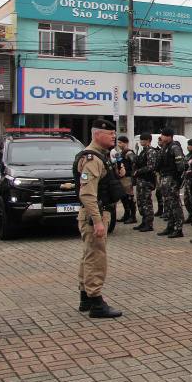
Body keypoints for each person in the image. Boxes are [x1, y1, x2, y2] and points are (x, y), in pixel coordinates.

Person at [73, 119, 124, 319]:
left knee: (88, 256)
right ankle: (97, 303)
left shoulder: (102, 157)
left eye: (114, 133)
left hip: (95, 213)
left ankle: (85, 297)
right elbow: (87, 194)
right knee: (96, 258)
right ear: (97, 135)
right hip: (95, 214)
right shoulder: (92, 159)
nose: (114, 136)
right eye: (109, 134)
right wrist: (98, 221)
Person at [155, 129, 186, 238]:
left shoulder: (174, 147)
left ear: (170, 136)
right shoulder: (165, 148)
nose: (162, 137)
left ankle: (178, 228)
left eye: (164, 135)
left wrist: (178, 178)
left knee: (174, 204)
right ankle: (170, 226)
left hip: (171, 179)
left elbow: (181, 164)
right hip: (164, 177)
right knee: (168, 204)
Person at [132, 133, 157, 233]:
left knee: (146, 202)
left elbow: (151, 166)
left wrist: (139, 171)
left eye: (142, 140)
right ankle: (144, 221)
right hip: (141, 179)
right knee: (141, 201)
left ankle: (149, 223)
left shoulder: (151, 151)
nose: (141, 141)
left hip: (147, 179)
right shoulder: (143, 151)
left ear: (147, 140)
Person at [115, 136, 137, 225]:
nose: (118, 144)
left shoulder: (128, 153)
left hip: (127, 178)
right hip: (121, 178)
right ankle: (126, 214)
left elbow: (134, 162)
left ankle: (133, 216)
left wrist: (133, 173)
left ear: (125, 143)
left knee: (129, 197)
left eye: (120, 143)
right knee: (124, 197)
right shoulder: (121, 153)